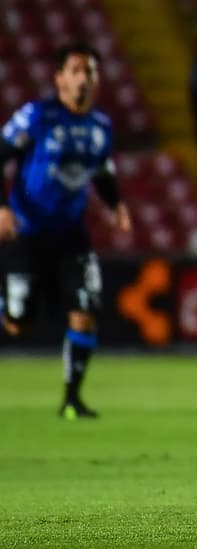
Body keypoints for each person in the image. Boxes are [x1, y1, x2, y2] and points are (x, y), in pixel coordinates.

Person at [0, 41, 132, 419]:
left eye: (89, 72)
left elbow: (103, 172)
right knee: (17, 322)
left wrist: (117, 205)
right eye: (74, 71)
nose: (82, 79)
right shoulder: (37, 116)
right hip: (27, 228)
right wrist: (2, 208)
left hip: (72, 233)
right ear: (59, 78)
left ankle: (72, 399)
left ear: (97, 79)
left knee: (86, 308)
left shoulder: (101, 126)